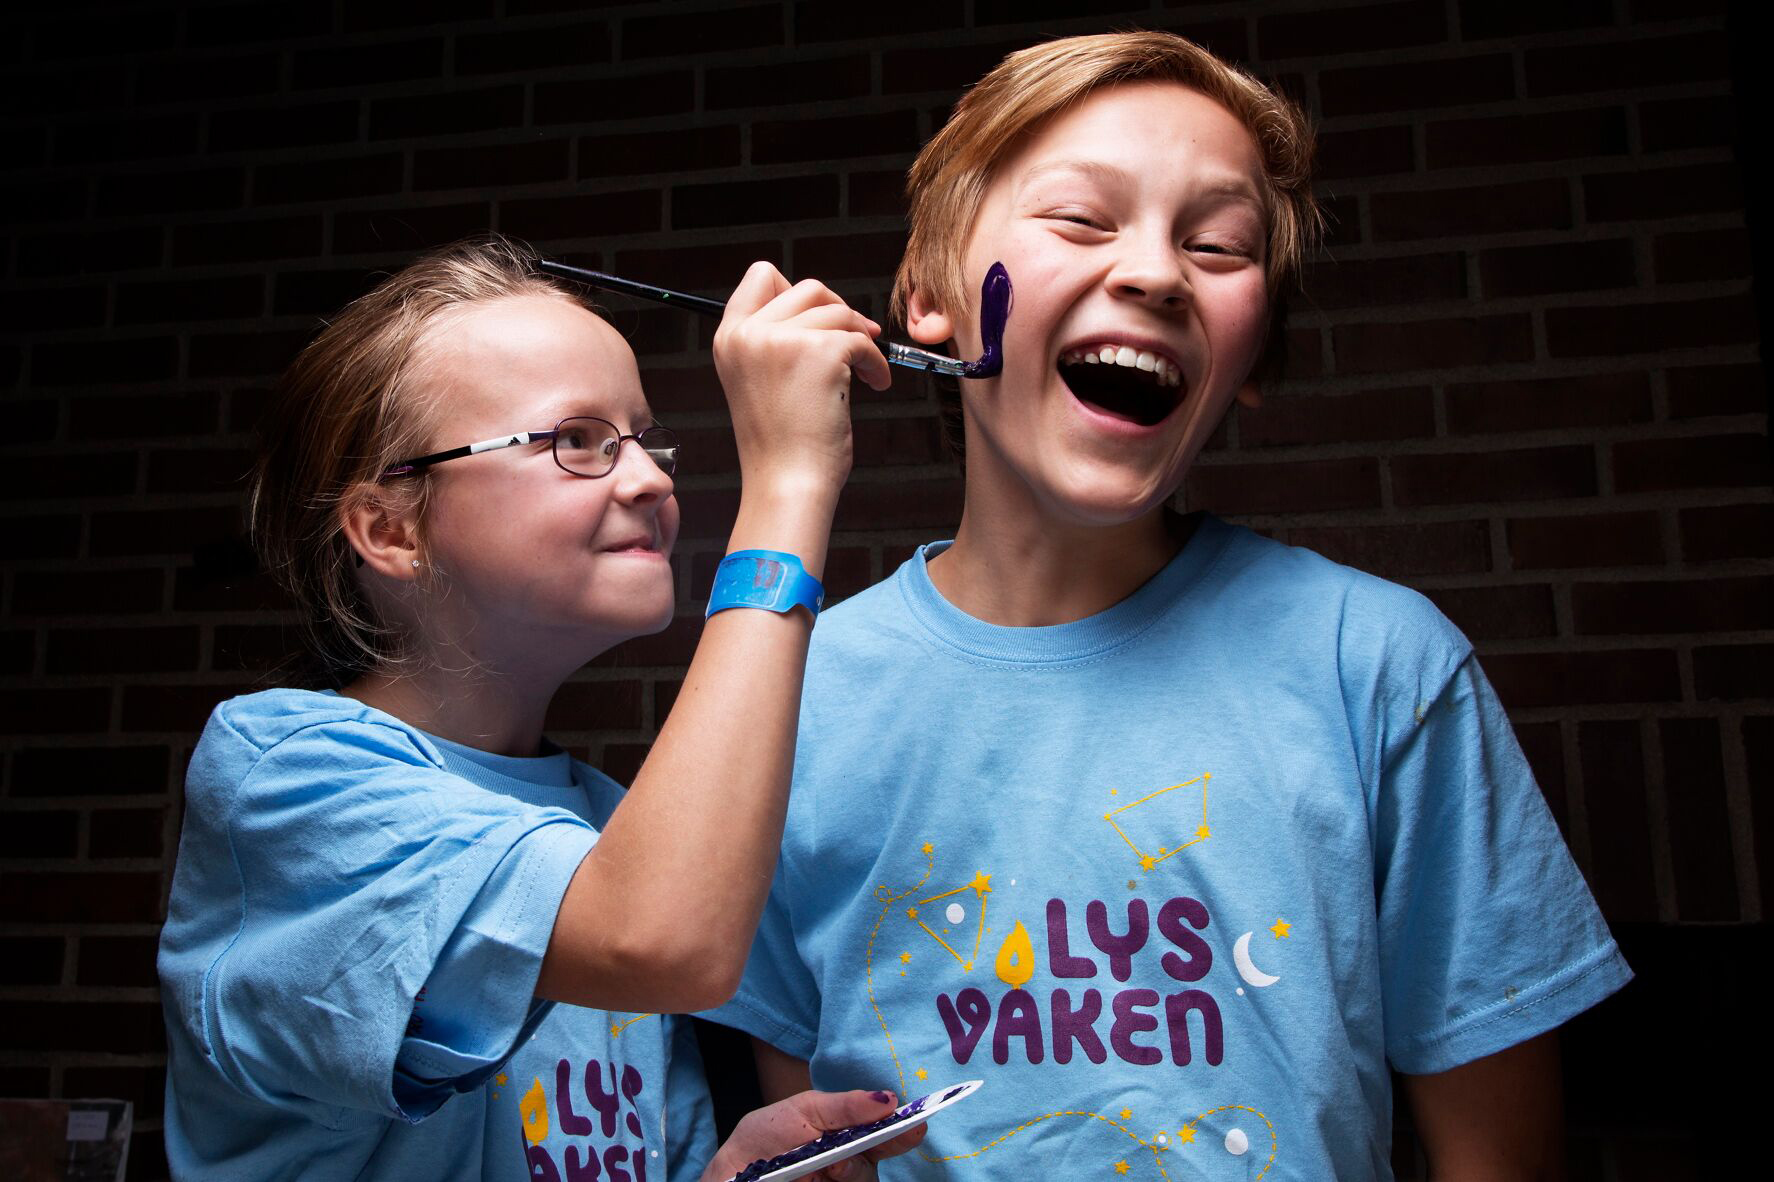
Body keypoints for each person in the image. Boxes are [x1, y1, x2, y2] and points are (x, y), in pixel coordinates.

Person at [709, 31, 1631, 1180]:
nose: (1154, 273)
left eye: (1217, 243)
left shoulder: (1380, 667)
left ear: (1250, 357)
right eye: (1084, 222)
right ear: (929, 299)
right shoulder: (791, 696)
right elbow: (816, 1135)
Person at [157, 235, 924, 1181]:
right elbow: (659, 936)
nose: (650, 479)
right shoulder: (282, 777)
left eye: (642, 438)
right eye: (576, 442)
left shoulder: (609, 829)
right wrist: (789, 481)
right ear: (391, 528)